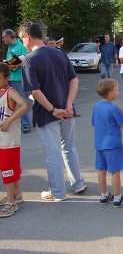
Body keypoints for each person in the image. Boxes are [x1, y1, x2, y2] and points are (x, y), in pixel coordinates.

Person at [19, 21, 86, 201]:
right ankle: (78, 182)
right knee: (69, 149)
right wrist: (69, 104)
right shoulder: (59, 54)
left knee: (53, 154)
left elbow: (34, 90)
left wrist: (53, 109)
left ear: (27, 36)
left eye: (21, 38)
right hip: (67, 110)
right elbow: (74, 80)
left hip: (47, 113)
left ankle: (57, 191)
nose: (22, 43)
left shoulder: (29, 59)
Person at [92, 78, 123, 208]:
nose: (118, 91)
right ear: (110, 93)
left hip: (100, 143)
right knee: (115, 171)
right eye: (116, 89)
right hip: (112, 144)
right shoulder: (113, 108)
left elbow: (94, 122)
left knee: (101, 170)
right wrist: (122, 112)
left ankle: (104, 195)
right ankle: (117, 197)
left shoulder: (96, 106)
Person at [0, 63, 30, 217]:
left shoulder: (10, 92)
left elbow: (25, 105)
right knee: (8, 168)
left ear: (7, 78)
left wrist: (9, 120)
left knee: (8, 170)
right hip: (1, 140)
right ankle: (17, 195)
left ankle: (10, 203)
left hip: (9, 140)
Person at [2, 29, 32, 133]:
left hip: (19, 79)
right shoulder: (10, 47)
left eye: (3, 37)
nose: (2, 40)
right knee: (11, 102)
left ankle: (26, 124)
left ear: (9, 37)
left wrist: (14, 65)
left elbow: (27, 59)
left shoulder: (21, 45)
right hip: (10, 78)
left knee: (22, 101)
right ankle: (15, 122)